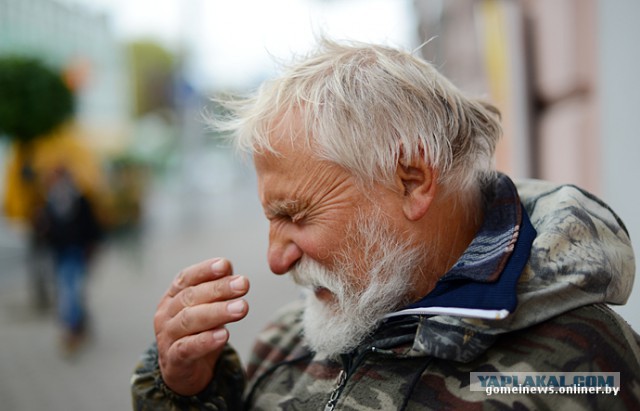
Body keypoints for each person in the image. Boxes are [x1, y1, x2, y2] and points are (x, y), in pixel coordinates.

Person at [131, 40, 640, 409]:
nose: (276, 258)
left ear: (413, 181)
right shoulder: (289, 337)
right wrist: (185, 391)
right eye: (270, 218)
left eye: (294, 214)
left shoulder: (581, 365)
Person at [39, 166, 102, 353]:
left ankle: (72, 330)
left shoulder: (80, 199)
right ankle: (79, 325)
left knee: (70, 290)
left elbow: (91, 226)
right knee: (71, 290)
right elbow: (46, 229)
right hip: (60, 252)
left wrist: (92, 247)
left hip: (76, 251)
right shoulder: (49, 202)